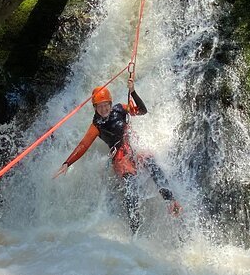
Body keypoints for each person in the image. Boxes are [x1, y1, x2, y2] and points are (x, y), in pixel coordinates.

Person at [54, 77, 182, 233]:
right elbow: (84, 145)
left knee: (151, 162)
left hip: (132, 147)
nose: (103, 109)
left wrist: (133, 92)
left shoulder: (120, 108)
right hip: (119, 156)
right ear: (94, 108)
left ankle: (171, 201)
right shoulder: (96, 126)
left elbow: (142, 111)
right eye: (99, 107)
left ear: (110, 103)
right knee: (131, 183)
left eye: (105, 105)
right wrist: (68, 162)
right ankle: (135, 228)